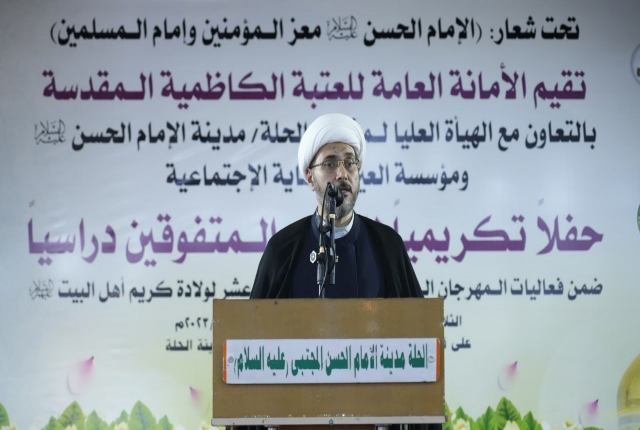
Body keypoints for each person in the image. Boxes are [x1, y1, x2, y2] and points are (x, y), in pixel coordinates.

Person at [250, 112, 424, 299]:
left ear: (358, 170)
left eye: (349, 163)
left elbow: (417, 316)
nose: (342, 174)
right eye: (330, 164)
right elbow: (256, 317)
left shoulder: (388, 244)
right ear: (310, 177)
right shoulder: (282, 249)